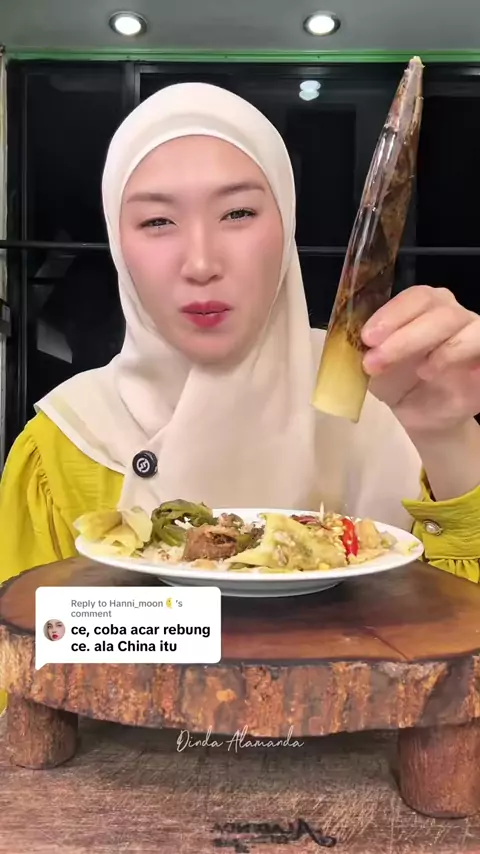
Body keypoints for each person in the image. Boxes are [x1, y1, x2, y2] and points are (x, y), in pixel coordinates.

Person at [1, 82, 480, 585]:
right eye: (158, 221)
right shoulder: (68, 443)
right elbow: (35, 630)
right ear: (118, 245)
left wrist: (447, 435)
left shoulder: (387, 396)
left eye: (238, 213)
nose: (201, 263)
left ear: (287, 223)